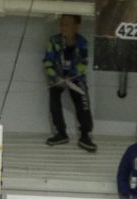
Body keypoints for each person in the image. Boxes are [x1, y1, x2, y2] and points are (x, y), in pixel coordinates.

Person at [43, 13, 94, 151]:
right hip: (58, 77)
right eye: (62, 24)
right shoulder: (53, 41)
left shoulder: (82, 43)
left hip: (75, 78)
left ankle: (85, 134)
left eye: (67, 24)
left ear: (76, 27)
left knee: (83, 100)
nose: (63, 27)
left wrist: (71, 77)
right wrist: (55, 77)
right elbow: (48, 62)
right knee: (54, 99)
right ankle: (61, 133)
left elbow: (83, 64)